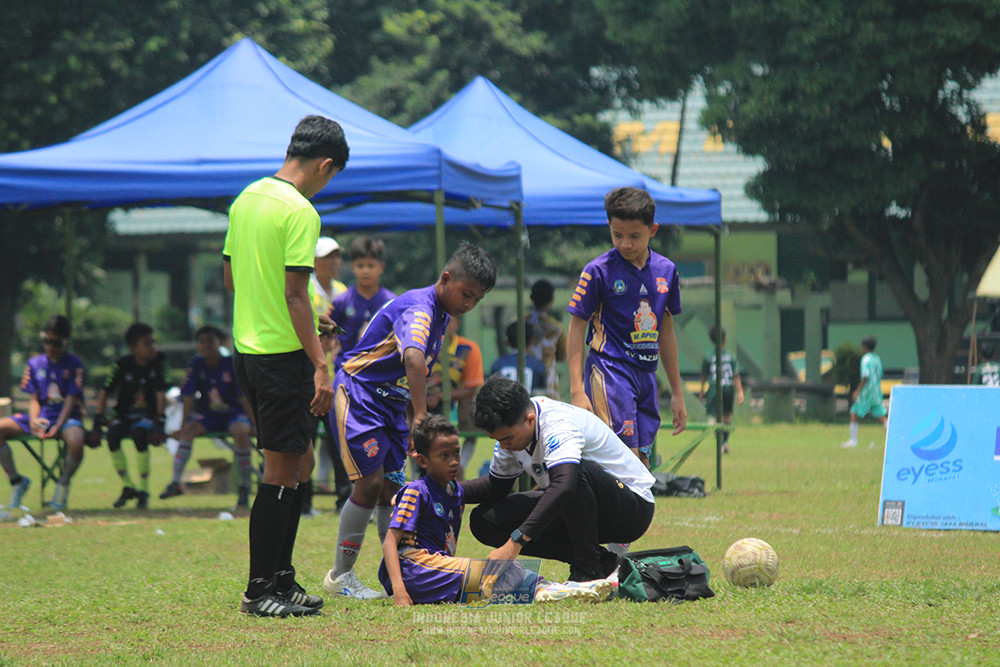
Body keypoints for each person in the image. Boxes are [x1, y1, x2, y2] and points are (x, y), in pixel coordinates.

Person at [224, 114, 349, 618]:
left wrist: (306, 318)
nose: (327, 184)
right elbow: (296, 293)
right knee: (280, 470)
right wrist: (321, 366)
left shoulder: (246, 199)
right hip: (283, 358)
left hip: (248, 352)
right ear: (325, 164)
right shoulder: (300, 211)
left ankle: (282, 578)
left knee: (296, 466)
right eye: (332, 175)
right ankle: (258, 591)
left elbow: (234, 281)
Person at [323, 242, 496, 600]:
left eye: (476, 300)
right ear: (445, 278)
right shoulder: (421, 308)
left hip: (389, 404)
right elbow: (414, 359)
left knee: (391, 487)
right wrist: (420, 415)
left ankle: (397, 574)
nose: (467, 304)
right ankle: (340, 576)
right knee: (369, 485)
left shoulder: (443, 313)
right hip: (360, 395)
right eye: (465, 294)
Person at [379, 414, 609, 606]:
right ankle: (547, 589)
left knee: (500, 571)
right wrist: (399, 591)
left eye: (456, 453)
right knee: (489, 570)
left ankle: (549, 589)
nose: (454, 461)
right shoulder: (416, 491)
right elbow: (390, 541)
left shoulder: (456, 492)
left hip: (437, 572)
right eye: (444, 456)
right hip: (413, 569)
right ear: (422, 461)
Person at [464, 376, 656, 583]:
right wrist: (446, 489)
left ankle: (588, 570)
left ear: (530, 419)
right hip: (580, 506)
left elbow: (564, 486)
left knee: (569, 477)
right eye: (497, 440)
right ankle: (602, 562)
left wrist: (515, 543)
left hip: (631, 509)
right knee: (485, 520)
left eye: (506, 438)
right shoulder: (513, 433)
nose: (502, 446)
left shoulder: (557, 422)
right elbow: (496, 487)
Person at [566, 186, 687, 467]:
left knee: (642, 462)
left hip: (647, 376)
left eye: (635, 236)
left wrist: (678, 393)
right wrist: (576, 389)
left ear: (652, 230)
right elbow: (575, 327)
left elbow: (666, 332)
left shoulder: (667, 271)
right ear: (609, 227)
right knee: (626, 460)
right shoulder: (597, 271)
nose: (626, 244)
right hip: (610, 371)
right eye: (617, 235)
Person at [322, 236, 396, 510]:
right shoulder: (342, 302)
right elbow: (328, 332)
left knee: (379, 438)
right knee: (342, 438)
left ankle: (384, 493)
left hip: (379, 380)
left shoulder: (391, 301)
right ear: (352, 267)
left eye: (371, 265)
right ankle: (345, 495)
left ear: (381, 267)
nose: (365, 270)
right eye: (360, 265)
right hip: (346, 380)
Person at [159, 325, 256, 510]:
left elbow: (243, 397)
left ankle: (244, 486)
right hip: (210, 414)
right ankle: (176, 482)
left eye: (210, 341)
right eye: (201, 341)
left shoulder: (230, 363)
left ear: (220, 343)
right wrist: (182, 425)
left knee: (241, 431)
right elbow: (187, 396)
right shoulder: (197, 364)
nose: (205, 345)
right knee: (188, 431)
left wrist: (254, 423)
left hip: (233, 413)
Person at [0, 315, 86, 511]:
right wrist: (33, 420)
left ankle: (62, 485)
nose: (50, 346)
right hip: (42, 415)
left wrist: (58, 425)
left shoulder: (75, 364)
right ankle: (17, 481)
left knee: (76, 442)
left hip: (66, 416)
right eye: (46, 341)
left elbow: (72, 398)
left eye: (55, 342)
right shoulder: (35, 363)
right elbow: (34, 399)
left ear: (66, 341)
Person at [95, 322, 169, 510]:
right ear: (133, 347)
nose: (153, 346)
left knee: (139, 434)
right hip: (126, 415)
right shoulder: (122, 364)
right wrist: (98, 418)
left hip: (148, 416)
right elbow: (105, 391)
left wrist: (160, 420)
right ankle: (128, 485)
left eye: (153, 342)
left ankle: (143, 491)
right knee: (112, 436)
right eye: (147, 343)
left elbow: (161, 393)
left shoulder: (159, 362)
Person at [305, 235, 347, 517]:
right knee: (304, 438)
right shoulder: (305, 287)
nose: (334, 262)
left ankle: (345, 501)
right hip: (308, 374)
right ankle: (304, 502)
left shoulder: (343, 291)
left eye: (337, 256)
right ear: (315, 261)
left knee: (340, 440)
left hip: (337, 376)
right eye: (328, 257)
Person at [440, 316, 484, 480]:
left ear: (457, 324)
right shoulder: (427, 346)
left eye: (449, 321)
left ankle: (461, 465)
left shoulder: (468, 348)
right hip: (429, 400)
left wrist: (442, 395)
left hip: (456, 397)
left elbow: (471, 388)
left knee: (471, 409)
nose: (444, 325)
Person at [699, 326, 744, 453]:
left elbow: (704, 376)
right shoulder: (730, 356)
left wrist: (702, 391)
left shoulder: (709, 356)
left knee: (716, 417)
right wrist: (740, 391)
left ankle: (719, 442)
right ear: (724, 339)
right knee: (727, 415)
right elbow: (736, 375)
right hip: (729, 387)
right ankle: (725, 442)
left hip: (715, 387)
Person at [842, 335, 888, 448]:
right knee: (879, 414)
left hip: (867, 391)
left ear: (864, 346)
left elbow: (865, 376)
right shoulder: (877, 359)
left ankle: (853, 440)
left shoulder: (866, 359)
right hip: (876, 390)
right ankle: (894, 435)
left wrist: (858, 390)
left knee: (854, 412)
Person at [527, 279, 568, 400]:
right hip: (548, 383)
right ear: (551, 300)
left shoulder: (520, 323)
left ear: (531, 297)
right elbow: (561, 357)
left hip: (525, 379)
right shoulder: (556, 328)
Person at [491, 321, 547, 395]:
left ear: (508, 341)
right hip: (529, 404)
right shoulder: (537, 365)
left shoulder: (499, 363)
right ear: (531, 341)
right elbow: (541, 390)